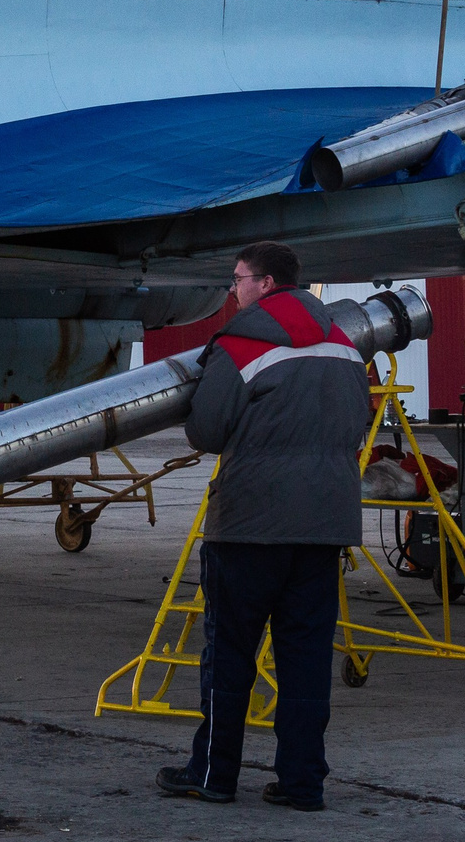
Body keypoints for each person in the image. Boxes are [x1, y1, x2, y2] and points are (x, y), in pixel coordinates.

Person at [158, 241, 374, 810]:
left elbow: (205, 430)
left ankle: (213, 774)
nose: (234, 290)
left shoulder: (242, 344)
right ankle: (303, 782)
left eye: (239, 279)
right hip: (325, 527)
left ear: (267, 284)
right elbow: (360, 421)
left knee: (231, 656)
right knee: (305, 659)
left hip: (251, 525)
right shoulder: (346, 346)